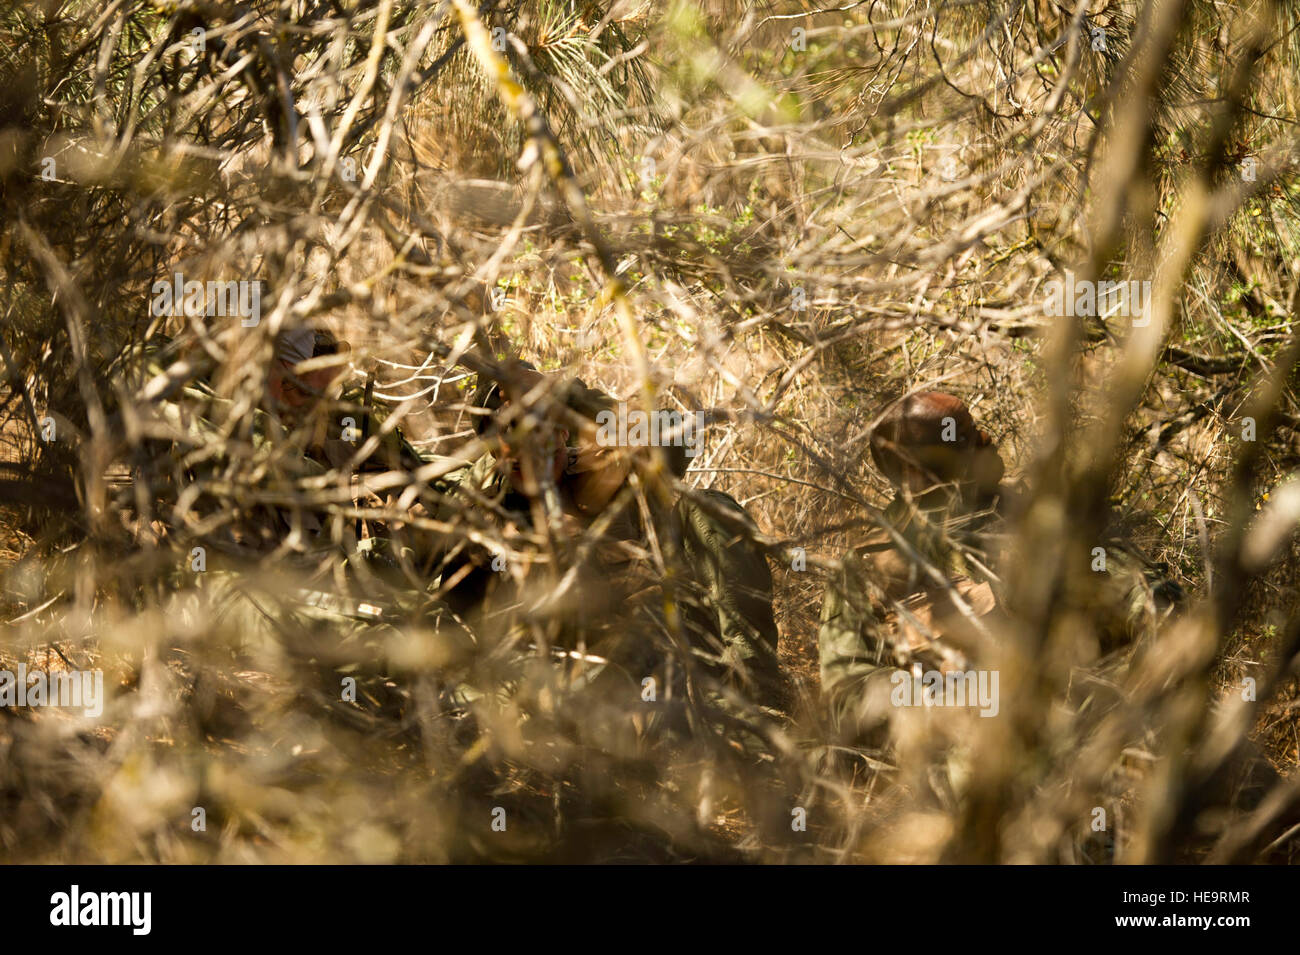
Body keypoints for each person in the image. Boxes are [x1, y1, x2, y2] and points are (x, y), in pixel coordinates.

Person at [430, 364, 786, 712]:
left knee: (710, 506)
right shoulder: (485, 499)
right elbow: (454, 600)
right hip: (584, 661)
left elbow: (680, 436)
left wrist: (574, 397)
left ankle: (755, 681)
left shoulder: (601, 455)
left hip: (666, 619)